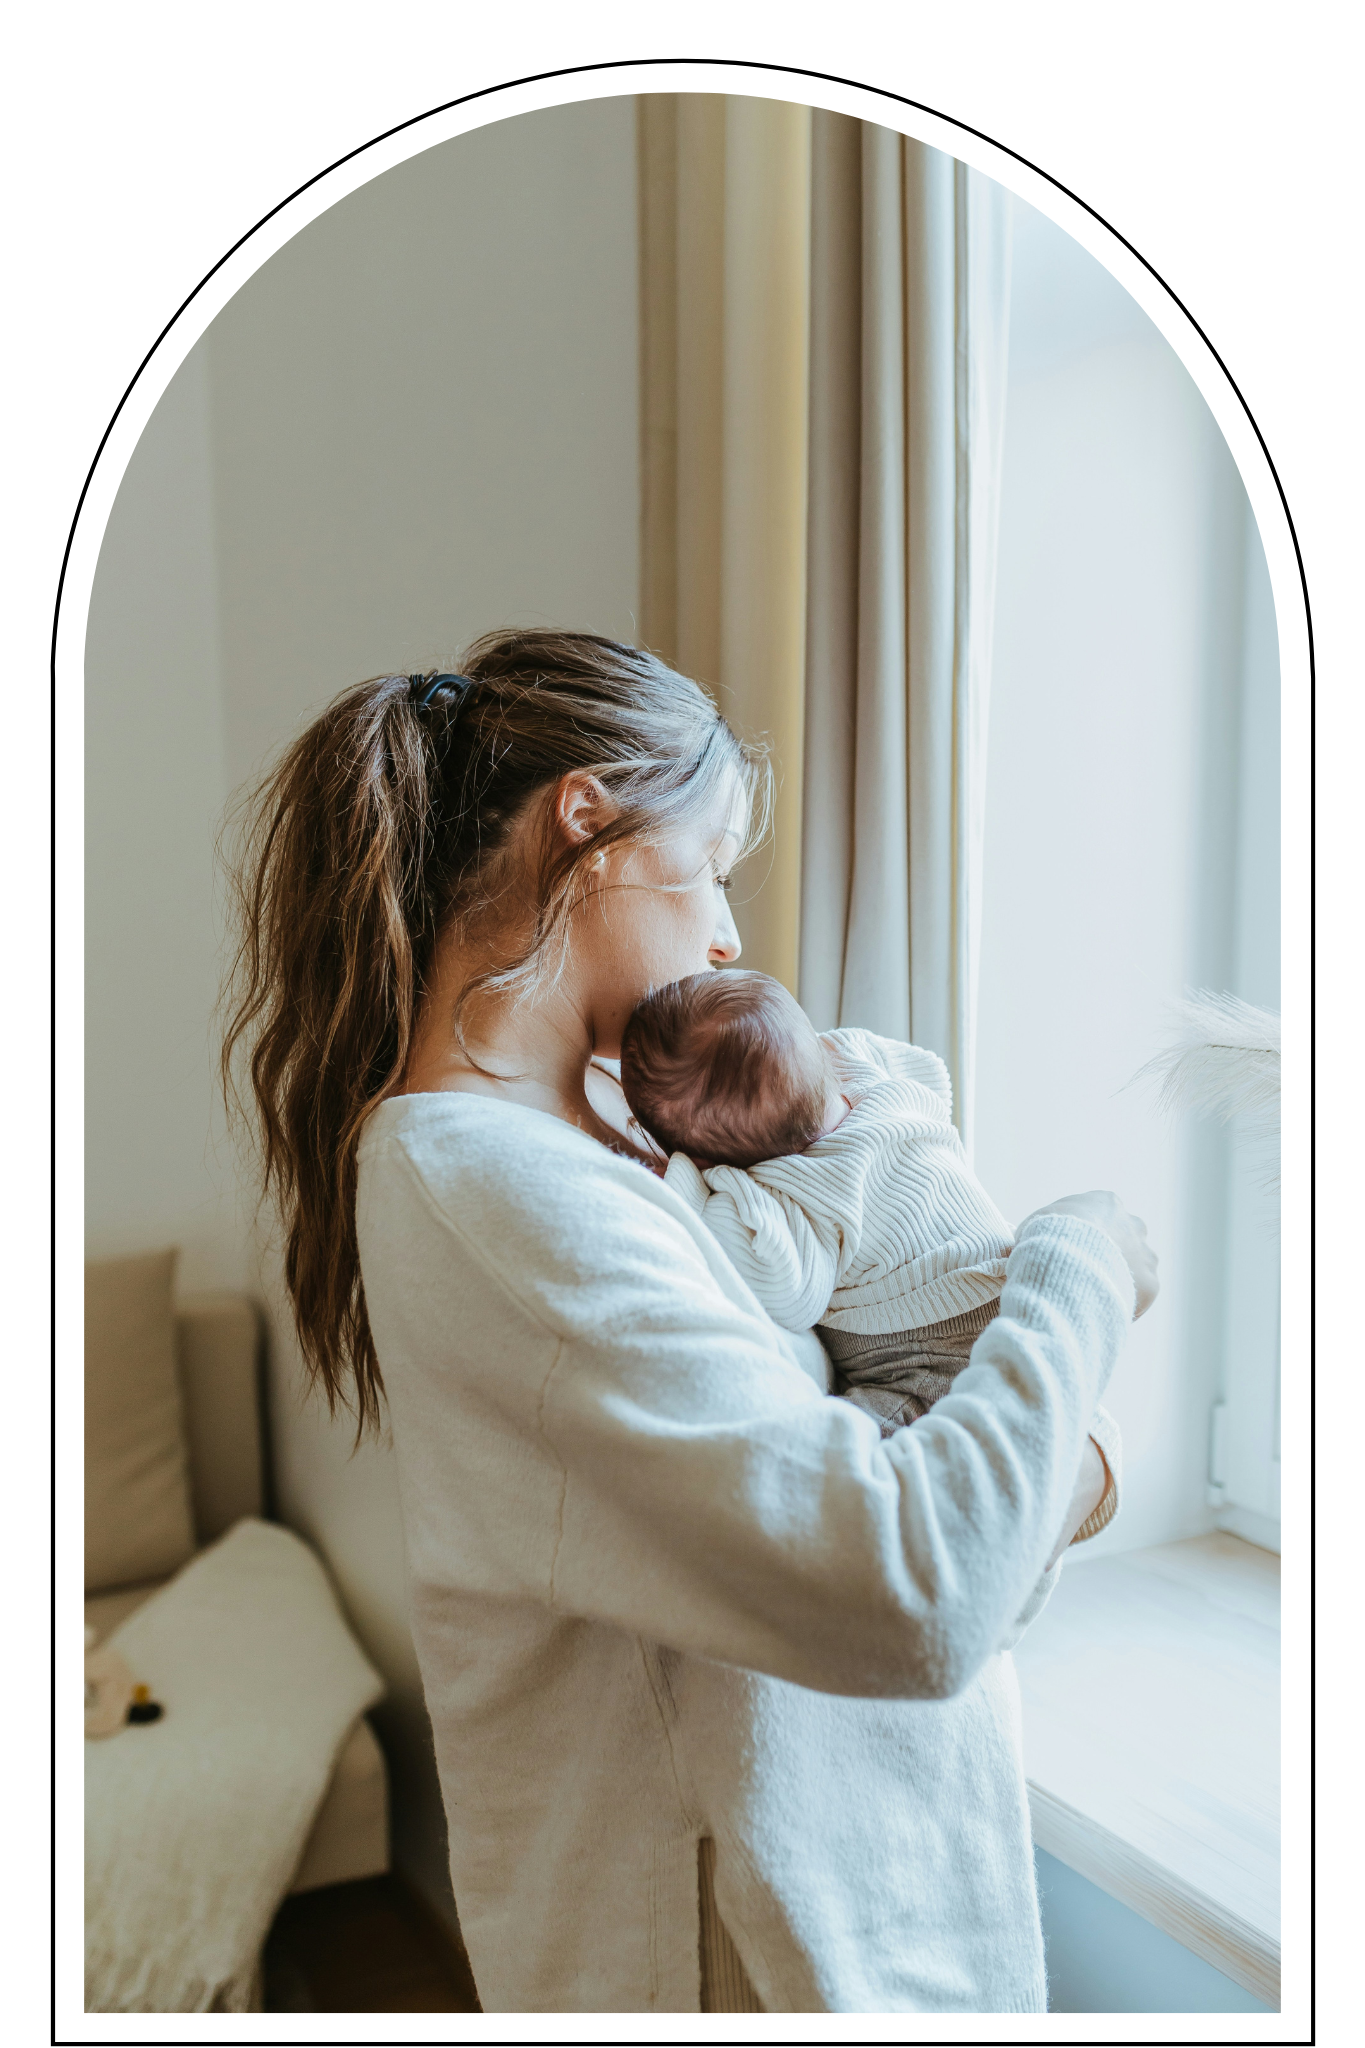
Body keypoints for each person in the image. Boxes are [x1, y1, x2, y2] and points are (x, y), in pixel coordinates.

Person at [222, 629, 1158, 2016]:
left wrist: (1037, 1481)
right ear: (587, 824)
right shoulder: (491, 1187)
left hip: (850, 1922)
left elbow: (896, 1536)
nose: (727, 929)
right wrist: (1078, 1272)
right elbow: (917, 1584)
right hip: (742, 1963)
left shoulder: (614, 1136)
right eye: (712, 860)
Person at [617, 969, 1123, 1493]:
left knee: (857, 1469)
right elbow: (931, 1072)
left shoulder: (793, 1194)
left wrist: (690, 1181)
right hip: (1002, 1276)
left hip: (931, 1351)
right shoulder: (869, 1070)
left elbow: (786, 1293)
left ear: (706, 1153)